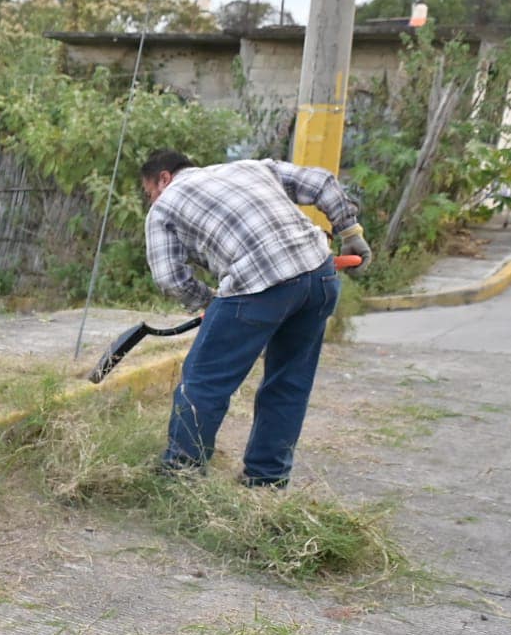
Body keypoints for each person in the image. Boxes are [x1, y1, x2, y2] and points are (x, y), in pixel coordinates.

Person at [138, 149, 372, 488]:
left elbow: (169, 278)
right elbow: (322, 182)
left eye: (150, 193)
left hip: (257, 283)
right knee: (289, 381)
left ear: (163, 178)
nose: (152, 200)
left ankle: (181, 475)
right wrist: (351, 233)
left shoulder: (165, 204)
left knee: (204, 381)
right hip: (319, 276)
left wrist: (209, 303)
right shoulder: (250, 167)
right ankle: (267, 480)